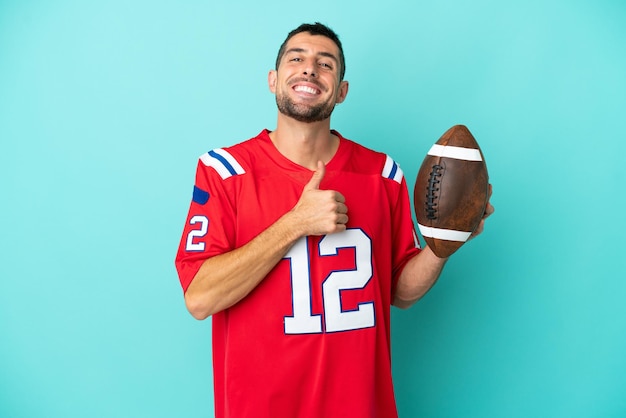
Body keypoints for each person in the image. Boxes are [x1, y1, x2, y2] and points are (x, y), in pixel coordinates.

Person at [175, 22, 493, 418]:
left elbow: (398, 291)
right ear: (273, 80)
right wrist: (295, 223)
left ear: (341, 91)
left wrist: (443, 244)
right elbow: (201, 298)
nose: (309, 70)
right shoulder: (225, 171)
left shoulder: (382, 174)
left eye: (326, 64)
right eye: (297, 59)